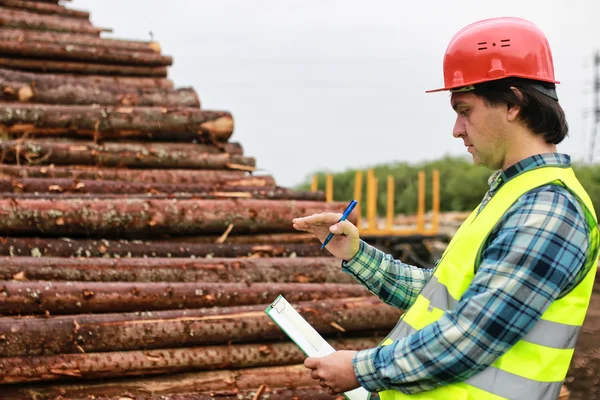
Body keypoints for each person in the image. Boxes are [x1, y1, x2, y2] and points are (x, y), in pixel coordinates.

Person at [292, 17, 600, 400]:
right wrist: (356, 254)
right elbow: (443, 300)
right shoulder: (514, 193)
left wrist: (360, 368)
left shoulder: (548, 208)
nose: (456, 129)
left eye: (465, 110)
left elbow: (473, 336)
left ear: (513, 104)